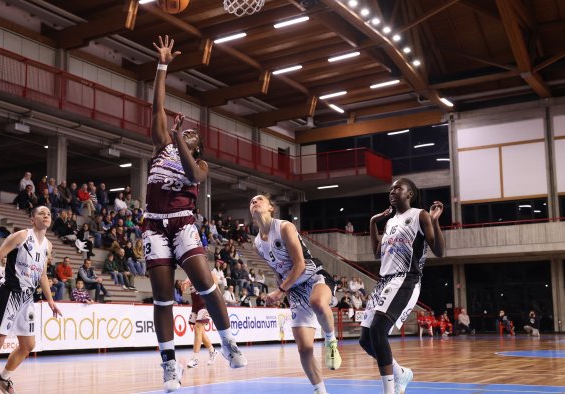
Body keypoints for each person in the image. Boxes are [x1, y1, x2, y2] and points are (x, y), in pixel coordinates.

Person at [144, 35, 245, 392]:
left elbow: (191, 175)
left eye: (189, 134)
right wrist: (163, 66)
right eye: (181, 131)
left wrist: (178, 141)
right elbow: (156, 107)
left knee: (206, 283)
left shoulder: (200, 163)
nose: (183, 132)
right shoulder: (162, 145)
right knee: (161, 298)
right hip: (154, 226)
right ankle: (169, 366)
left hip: (184, 222)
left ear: (196, 145)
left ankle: (229, 342)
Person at [250, 194, 342, 394]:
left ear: (270, 207)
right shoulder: (257, 245)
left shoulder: (284, 227)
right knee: (304, 349)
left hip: (313, 275)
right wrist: (281, 291)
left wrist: (280, 291)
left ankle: (331, 342)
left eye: (259, 199)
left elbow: (299, 263)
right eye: (251, 202)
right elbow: (277, 271)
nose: (254, 202)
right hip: (294, 289)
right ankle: (320, 391)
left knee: (318, 302)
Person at [363, 178, 445, 394]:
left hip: (405, 278)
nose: (392, 191)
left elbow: (439, 251)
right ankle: (401, 374)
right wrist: (373, 223)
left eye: (398, 188)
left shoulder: (420, 215)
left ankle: (389, 391)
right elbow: (376, 253)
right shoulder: (390, 222)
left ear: (410, 194)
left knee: (378, 330)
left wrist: (435, 221)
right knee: (365, 340)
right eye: (391, 188)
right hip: (384, 281)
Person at [0, 206, 61, 394]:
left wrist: (50, 299)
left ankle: (2, 378)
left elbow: (42, 274)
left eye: (49, 213)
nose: (46, 215)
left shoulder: (48, 246)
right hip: (9, 292)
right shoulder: (21, 236)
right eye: (42, 213)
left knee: (28, 345)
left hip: (27, 298)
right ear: (33, 219)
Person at [181, 279, 219, 369]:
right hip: (196, 305)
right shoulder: (190, 275)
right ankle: (212, 351)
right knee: (200, 332)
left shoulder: (208, 272)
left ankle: (195, 359)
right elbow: (184, 287)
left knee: (197, 328)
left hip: (206, 304)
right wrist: (184, 285)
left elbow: (216, 289)